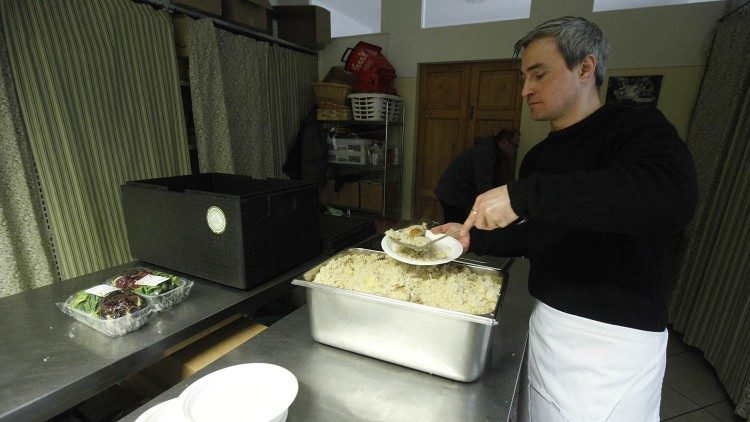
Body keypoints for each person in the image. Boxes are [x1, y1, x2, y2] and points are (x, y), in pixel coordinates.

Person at [433, 16, 697, 421]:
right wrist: (472, 240)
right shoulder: (540, 157)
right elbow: (542, 236)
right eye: (524, 77)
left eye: (538, 74)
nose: (526, 90)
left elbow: (671, 199)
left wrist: (527, 195)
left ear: (586, 68)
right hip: (548, 324)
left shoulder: (636, 128)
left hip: (614, 342)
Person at [434, 128, 518, 223]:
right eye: (515, 146)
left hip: (454, 193)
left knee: (457, 224)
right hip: (453, 194)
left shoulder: (490, 152)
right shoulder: (485, 153)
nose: (515, 150)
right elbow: (484, 186)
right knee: (456, 226)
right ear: (505, 142)